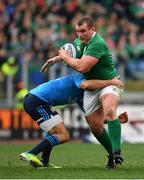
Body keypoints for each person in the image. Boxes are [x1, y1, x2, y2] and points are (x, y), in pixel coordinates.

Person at [42, 16, 124, 168]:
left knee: (110, 110)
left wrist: (65, 57)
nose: (80, 34)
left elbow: (82, 67)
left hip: (110, 83)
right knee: (96, 127)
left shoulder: (97, 43)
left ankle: (117, 152)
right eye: (77, 31)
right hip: (92, 89)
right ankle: (112, 156)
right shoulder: (78, 42)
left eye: (83, 31)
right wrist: (57, 59)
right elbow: (74, 57)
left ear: (93, 29)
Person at [19, 73, 127, 169]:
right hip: (37, 101)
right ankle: (31, 153)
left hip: (40, 101)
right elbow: (85, 85)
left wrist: (114, 120)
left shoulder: (83, 97)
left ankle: (44, 162)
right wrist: (111, 82)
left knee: (54, 132)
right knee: (63, 135)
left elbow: (94, 118)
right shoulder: (79, 77)